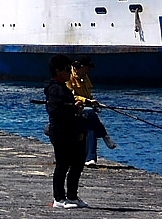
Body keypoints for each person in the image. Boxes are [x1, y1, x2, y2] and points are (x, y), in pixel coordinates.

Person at [44, 54, 88, 209]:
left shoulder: (64, 88)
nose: (70, 72)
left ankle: (72, 196)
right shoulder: (55, 89)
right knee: (62, 165)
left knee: (77, 163)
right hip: (61, 132)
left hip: (72, 131)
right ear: (58, 71)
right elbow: (55, 111)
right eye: (67, 69)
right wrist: (73, 107)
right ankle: (59, 198)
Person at [67, 56, 117, 166]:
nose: (89, 71)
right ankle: (104, 135)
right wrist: (87, 101)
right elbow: (70, 96)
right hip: (73, 110)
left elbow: (88, 94)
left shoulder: (85, 77)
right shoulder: (69, 77)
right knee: (90, 114)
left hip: (85, 110)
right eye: (88, 68)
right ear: (81, 67)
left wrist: (93, 103)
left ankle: (90, 159)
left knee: (90, 127)